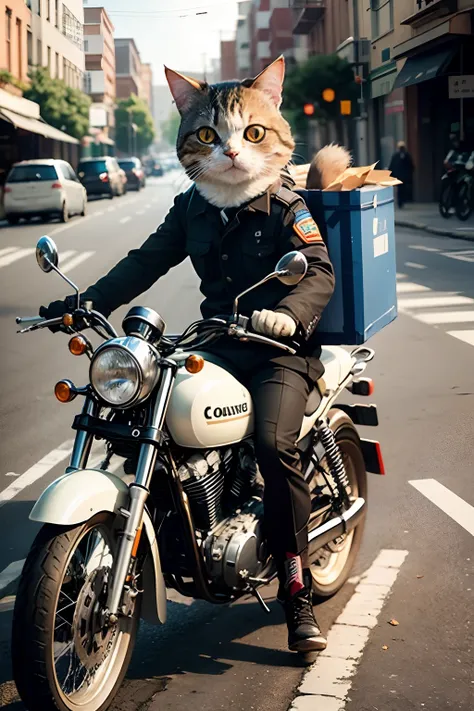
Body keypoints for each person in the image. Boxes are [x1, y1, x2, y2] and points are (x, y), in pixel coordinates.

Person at [40, 57, 335, 653]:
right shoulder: (194, 206)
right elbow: (148, 260)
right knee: (150, 413)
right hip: (218, 341)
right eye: (209, 136)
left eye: (250, 134)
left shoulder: (284, 205)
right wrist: (81, 301)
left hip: (278, 350)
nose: (228, 150)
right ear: (190, 137)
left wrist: (289, 314)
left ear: (271, 130)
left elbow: (320, 274)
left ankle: (296, 592)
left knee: (273, 448)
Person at [389, 140, 414, 208]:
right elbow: (392, 165)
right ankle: (400, 202)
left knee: (403, 189)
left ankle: (403, 200)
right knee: (400, 189)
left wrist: (409, 174)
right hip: (398, 175)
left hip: (404, 176)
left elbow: (411, 166)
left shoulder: (407, 155)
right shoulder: (396, 156)